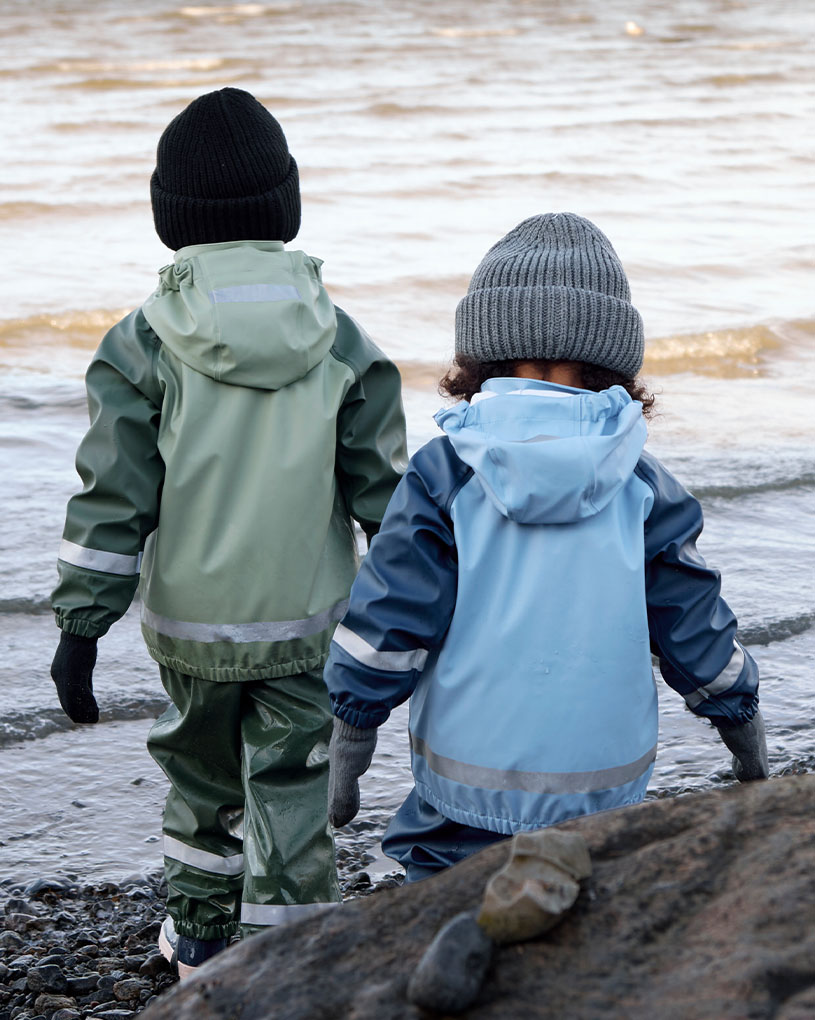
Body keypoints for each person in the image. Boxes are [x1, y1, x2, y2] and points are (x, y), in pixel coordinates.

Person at [49, 88, 407, 975]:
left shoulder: (141, 342)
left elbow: (111, 500)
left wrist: (79, 626)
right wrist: (418, 616)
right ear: (283, 207)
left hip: (190, 631)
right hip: (304, 625)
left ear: (171, 218)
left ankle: (202, 942)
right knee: (290, 788)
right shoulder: (339, 339)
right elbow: (387, 500)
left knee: (201, 786)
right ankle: (289, 963)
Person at [323, 212, 768, 883]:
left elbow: (388, 622)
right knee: (585, 900)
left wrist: (352, 733)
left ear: (481, 348)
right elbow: (693, 627)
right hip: (602, 781)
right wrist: (742, 731)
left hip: (467, 779)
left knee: (447, 892)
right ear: (612, 353)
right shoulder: (644, 486)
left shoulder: (446, 474)